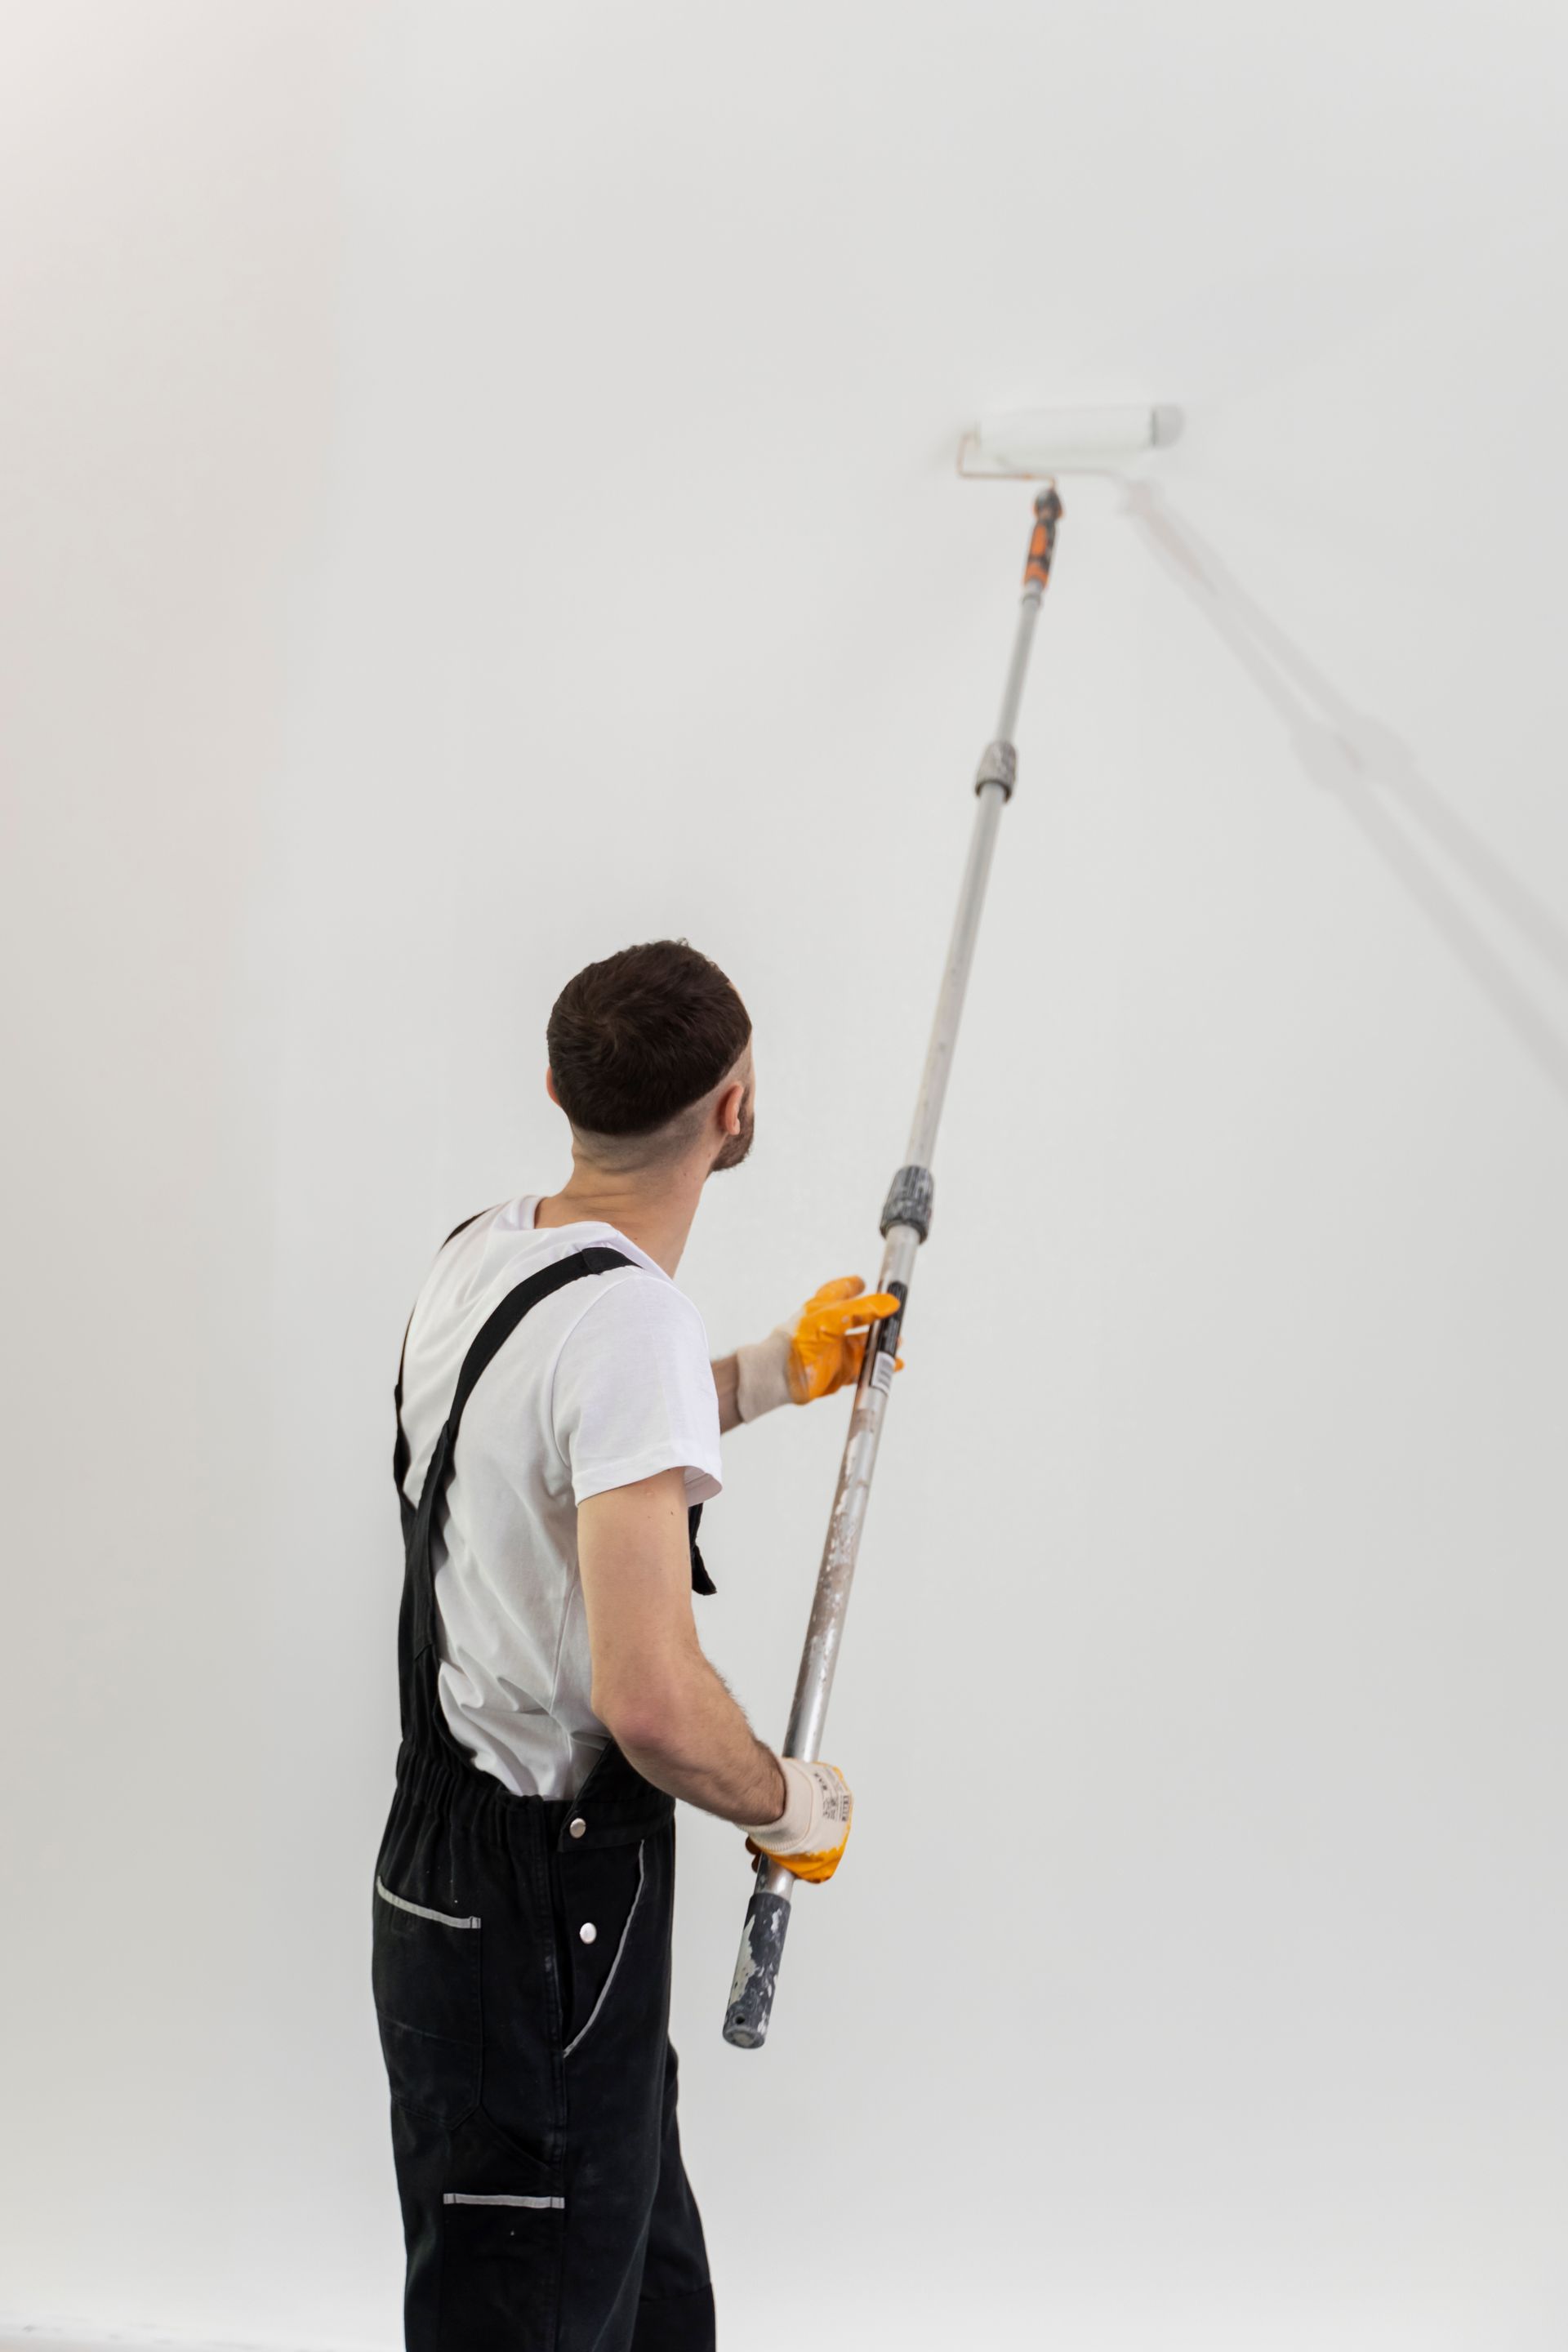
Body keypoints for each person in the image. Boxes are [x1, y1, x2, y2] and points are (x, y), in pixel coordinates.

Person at [372, 937, 898, 2350]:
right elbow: (653, 1705)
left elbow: (574, 1450)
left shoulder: (485, 1251)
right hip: (548, 1900)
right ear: (735, 1110)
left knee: (639, 2296)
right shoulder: (631, 1323)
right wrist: (791, 1803)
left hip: (452, 1871)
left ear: (556, 1086)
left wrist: (780, 1371)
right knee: (547, 2311)